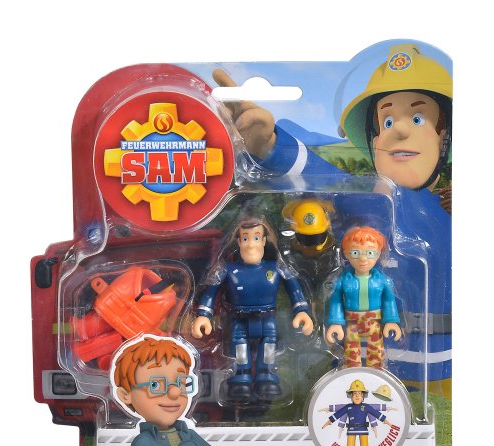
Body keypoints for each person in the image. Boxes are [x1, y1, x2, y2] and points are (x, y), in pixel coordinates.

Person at [212, 43, 452, 394]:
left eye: (418, 119)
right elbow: (317, 175)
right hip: (383, 357)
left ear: (445, 137)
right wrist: (270, 147)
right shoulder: (372, 202)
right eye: (387, 122)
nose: (399, 131)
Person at [192, 218, 314, 402]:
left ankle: (266, 376)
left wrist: (302, 311)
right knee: (240, 348)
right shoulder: (226, 269)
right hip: (239, 319)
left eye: (256, 238)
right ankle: (241, 378)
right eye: (245, 238)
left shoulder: (277, 267)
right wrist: (203, 315)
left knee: (268, 347)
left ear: (264, 241)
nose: (251, 245)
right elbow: (211, 291)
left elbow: (294, 289)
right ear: (239, 242)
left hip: (267, 319)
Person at [113, 335, 223, 446]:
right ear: (125, 395)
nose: (174, 392)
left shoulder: (186, 433)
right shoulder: (142, 443)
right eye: (155, 384)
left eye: (181, 383)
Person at [325, 226, 401, 368]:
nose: (363, 258)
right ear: (346, 254)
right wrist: (336, 322)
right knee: (351, 352)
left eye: (370, 253)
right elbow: (336, 301)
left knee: (376, 351)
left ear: (378, 254)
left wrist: (391, 321)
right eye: (355, 253)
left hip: (373, 321)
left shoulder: (382, 280)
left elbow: (389, 301)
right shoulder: (343, 280)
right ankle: (352, 372)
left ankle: (376, 372)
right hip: (352, 321)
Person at [322, 379, 392, 446]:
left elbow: (376, 413)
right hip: (351, 429)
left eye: (359, 394)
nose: (357, 396)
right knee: (350, 445)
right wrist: (329, 421)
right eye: (355, 394)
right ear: (351, 396)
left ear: (363, 396)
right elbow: (338, 414)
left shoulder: (366, 407)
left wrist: (385, 420)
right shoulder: (348, 407)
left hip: (363, 429)